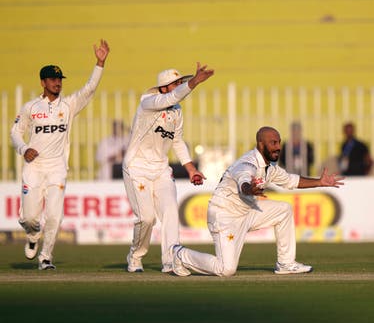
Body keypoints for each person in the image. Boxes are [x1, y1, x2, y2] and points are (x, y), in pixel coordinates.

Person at [170, 126, 344, 277]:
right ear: (261, 144)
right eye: (273, 143)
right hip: (225, 215)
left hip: (247, 211)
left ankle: (285, 264)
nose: (278, 147)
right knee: (226, 270)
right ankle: (180, 254)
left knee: (284, 210)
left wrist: (319, 182)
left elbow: (292, 180)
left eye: (279, 142)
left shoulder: (270, 167)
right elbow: (243, 181)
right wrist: (248, 189)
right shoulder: (248, 163)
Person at [10, 39, 110, 270]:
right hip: (34, 168)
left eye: (60, 80)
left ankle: (46, 257)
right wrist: (24, 149)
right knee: (29, 218)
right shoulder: (31, 107)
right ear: (43, 82)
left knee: (55, 216)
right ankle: (33, 235)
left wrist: (100, 63)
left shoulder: (69, 106)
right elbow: (15, 132)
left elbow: (89, 89)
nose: (58, 83)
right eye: (53, 80)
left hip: (57, 168)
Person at [123, 63, 214, 273]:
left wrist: (191, 168)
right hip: (137, 167)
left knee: (171, 211)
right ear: (163, 88)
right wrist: (193, 83)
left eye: (181, 82)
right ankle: (135, 256)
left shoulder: (176, 111)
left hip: (161, 169)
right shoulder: (148, 102)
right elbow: (170, 99)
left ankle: (170, 260)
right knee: (146, 218)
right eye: (175, 84)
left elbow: (177, 141)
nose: (179, 86)